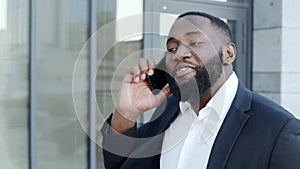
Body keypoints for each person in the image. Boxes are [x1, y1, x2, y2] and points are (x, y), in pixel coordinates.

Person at [101, 11, 300, 169]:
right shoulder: (169, 112)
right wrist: (126, 113)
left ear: (228, 54)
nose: (179, 54)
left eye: (195, 42)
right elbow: (120, 164)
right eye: (172, 48)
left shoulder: (279, 131)